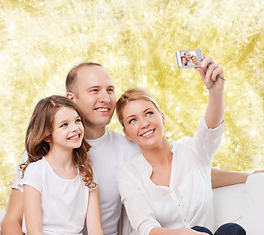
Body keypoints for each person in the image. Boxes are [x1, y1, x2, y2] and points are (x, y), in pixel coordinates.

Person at [1, 62, 255, 235]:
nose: (106, 98)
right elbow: (12, 221)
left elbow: (187, 171)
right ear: (72, 99)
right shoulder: (44, 155)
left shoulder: (130, 147)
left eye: (110, 90)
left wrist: (251, 176)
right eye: (94, 91)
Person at [115, 58, 246, 235]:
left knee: (231, 230)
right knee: (201, 230)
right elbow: (146, 227)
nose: (144, 123)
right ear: (127, 133)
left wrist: (216, 91)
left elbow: (211, 130)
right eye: (133, 120)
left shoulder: (192, 152)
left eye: (149, 113)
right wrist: (186, 233)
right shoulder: (128, 174)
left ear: (162, 117)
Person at [18, 95, 104, 235]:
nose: (75, 128)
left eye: (77, 121)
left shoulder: (87, 172)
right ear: (47, 136)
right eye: (64, 125)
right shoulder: (36, 172)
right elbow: (35, 232)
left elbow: (95, 229)